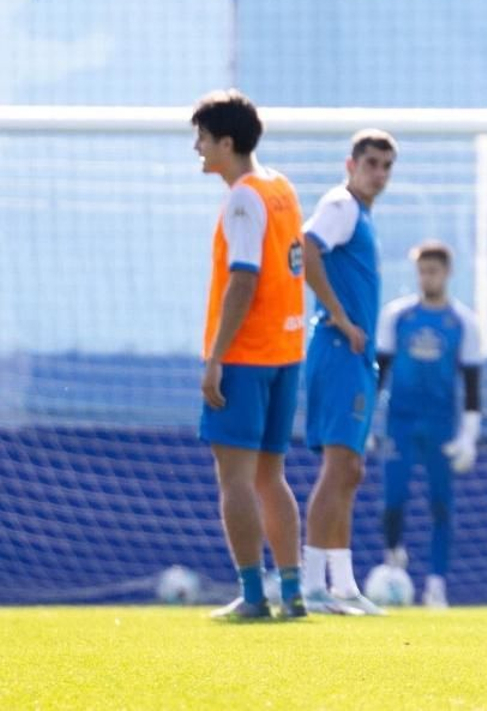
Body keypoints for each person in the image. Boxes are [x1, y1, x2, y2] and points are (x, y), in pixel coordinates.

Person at [191, 89, 308, 621]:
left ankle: (254, 596)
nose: (198, 148)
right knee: (271, 476)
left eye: (203, 138)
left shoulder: (243, 198)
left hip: (246, 355)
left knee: (235, 480)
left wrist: (216, 356)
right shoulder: (280, 185)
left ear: (227, 142)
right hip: (286, 352)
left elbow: (244, 277)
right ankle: (294, 590)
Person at [300, 128, 397, 615]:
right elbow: (306, 246)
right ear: (350, 164)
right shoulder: (339, 205)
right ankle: (312, 584)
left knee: (351, 469)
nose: (378, 174)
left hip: (355, 353)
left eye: (386, 166)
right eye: (371, 163)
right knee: (338, 467)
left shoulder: (363, 215)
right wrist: (337, 315)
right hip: (338, 348)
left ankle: (342, 585)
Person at [374, 240, 485, 609]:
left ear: (447, 273)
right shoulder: (397, 317)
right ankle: (393, 561)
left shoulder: (463, 322)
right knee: (393, 500)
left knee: (440, 503)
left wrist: (469, 437)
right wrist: (367, 426)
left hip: (441, 424)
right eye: (422, 271)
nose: (428, 277)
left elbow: (471, 385)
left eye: (434, 271)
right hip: (400, 421)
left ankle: (436, 582)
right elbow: (380, 373)